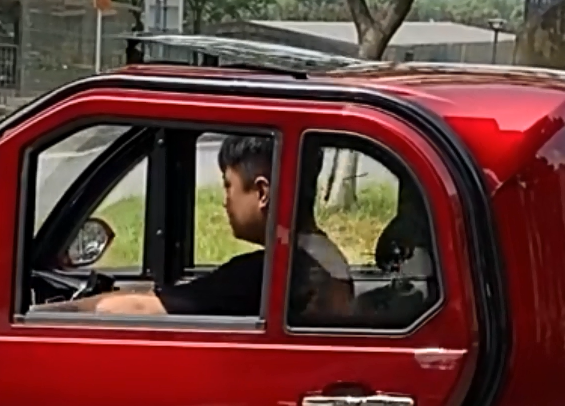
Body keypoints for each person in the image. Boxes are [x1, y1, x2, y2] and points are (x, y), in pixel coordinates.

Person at [45, 134, 353, 320]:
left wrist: (50, 314)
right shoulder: (324, 259)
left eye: (228, 185)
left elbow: (142, 309)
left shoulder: (265, 275)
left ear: (262, 193)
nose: (224, 201)